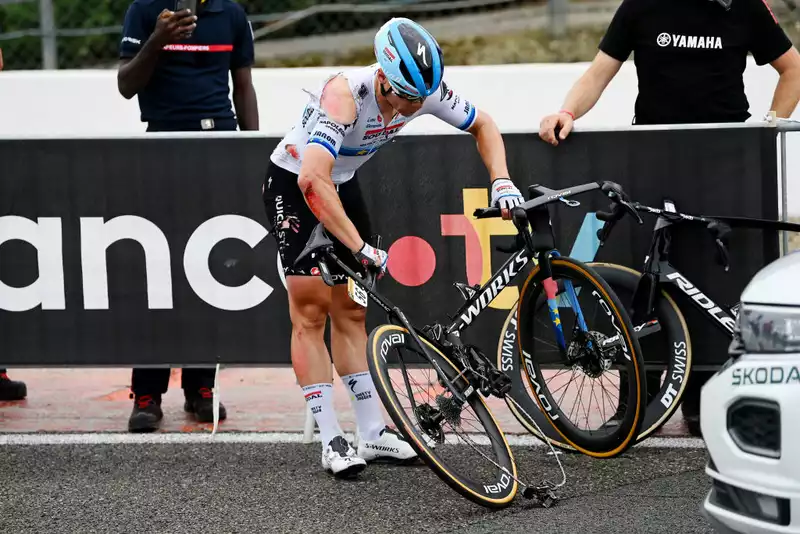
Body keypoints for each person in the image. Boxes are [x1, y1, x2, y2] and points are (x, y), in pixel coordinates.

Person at [262, 17, 524, 478]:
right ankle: (330, 439)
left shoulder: (421, 90)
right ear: (382, 77)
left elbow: (484, 125)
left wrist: (501, 180)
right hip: (296, 184)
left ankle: (371, 432)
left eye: (420, 100)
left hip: (340, 184)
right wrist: (360, 245)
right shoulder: (344, 95)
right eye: (405, 98)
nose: (411, 108)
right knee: (310, 312)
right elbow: (311, 181)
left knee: (353, 310)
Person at [538, 0, 800, 436]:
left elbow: (793, 68)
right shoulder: (641, 5)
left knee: (711, 278)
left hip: (723, 165)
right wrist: (567, 112)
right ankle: (637, 394)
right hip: (654, 157)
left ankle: (702, 397)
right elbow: (599, 72)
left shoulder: (745, 6)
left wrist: (770, 127)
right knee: (644, 278)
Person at [117, 0, 259, 432]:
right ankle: (147, 393)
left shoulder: (231, 14)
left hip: (219, 143)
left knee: (210, 269)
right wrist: (158, 40)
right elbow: (126, 85)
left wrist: (251, 154)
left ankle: (201, 388)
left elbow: (244, 87)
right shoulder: (144, 11)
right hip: (162, 144)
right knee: (157, 270)